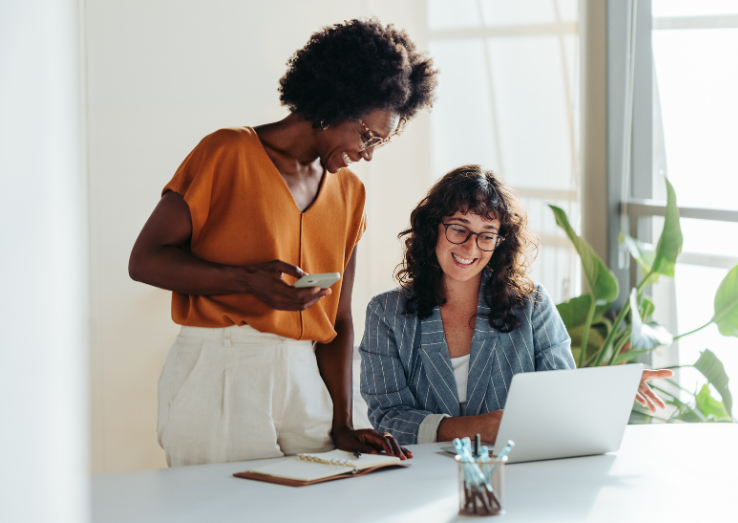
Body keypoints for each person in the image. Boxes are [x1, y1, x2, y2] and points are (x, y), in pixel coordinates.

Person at [128, 18, 438, 466]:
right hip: (221, 368)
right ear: (335, 104)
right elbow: (145, 260)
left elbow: (339, 319)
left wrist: (343, 423)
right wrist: (245, 281)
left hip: (304, 377)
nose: (368, 153)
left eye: (379, 144)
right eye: (367, 136)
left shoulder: (350, 193)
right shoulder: (227, 152)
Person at [359, 165, 673, 445]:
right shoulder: (386, 314)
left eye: (487, 235)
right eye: (458, 228)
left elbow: (558, 395)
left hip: (517, 471)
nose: (471, 246)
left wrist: (609, 389)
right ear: (433, 228)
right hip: (420, 478)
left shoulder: (532, 304)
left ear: (500, 243)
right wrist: (471, 427)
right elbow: (388, 417)